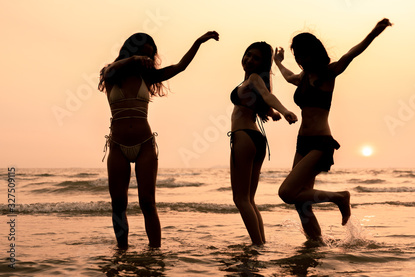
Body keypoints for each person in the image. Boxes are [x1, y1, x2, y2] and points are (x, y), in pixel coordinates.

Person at [98, 31, 219, 249]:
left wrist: (199, 41)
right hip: (117, 146)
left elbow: (181, 66)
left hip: (145, 145)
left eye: (151, 55)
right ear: (132, 52)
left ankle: (155, 253)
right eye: (144, 54)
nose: (148, 59)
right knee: (118, 204)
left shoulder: (149, 77)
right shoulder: (111, 74)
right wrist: (134, 60)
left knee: (147, 203)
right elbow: (109, 69)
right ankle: (122, 251)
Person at [275, 18, 392, 242]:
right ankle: (315, 244)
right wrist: (278, 62)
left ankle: (339, 197)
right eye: (297, 55)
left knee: (287, 193)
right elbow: (289, 77)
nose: (300, 59)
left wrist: (374, 33)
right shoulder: (303, 77)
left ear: (315, 52)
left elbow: (351, 54)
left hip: (320, 143)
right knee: (301, 202)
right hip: (302, 143)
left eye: (303, 53)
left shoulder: (328, 73)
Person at [229, 41, 298, 246]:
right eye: (248, 54)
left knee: (241, 200)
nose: (249, 59)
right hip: (256, 139)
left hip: (243, 136)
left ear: (262, 64)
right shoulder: (253, 82)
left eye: (255, 57)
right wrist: (273, 112)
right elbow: (264, 101)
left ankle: (256, 247)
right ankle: (261, 245)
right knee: (249, 200)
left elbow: (268, 96)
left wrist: (285, 111)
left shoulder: (253, 78)